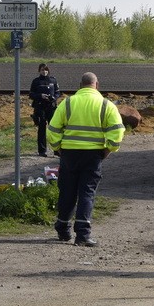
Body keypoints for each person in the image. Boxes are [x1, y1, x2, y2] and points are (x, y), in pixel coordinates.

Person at [47, 72, 125, 247]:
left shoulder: (67, 103)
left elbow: (52, 129)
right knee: (86, 193)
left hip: (69, 154)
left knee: (67, 191)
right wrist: (108, 150)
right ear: (97, 85)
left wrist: (58, 148)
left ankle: (63, 228)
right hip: (93, 155)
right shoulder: (106, 105)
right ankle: (82, 235)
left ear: (80, 85)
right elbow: (118, 131)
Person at [29, 63, 60, 157]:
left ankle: (56, 150)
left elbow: (57, 92)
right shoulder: (36, 81)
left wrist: (53, 98)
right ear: (39, 71)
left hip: (51, 107)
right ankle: (42, 151)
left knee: (54, 129)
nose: (44, 72)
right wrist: (40, 96)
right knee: (42, 128)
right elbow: (31, 94)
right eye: (42, 70)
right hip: (40, 107)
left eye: (46, 70)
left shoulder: (53, 80)